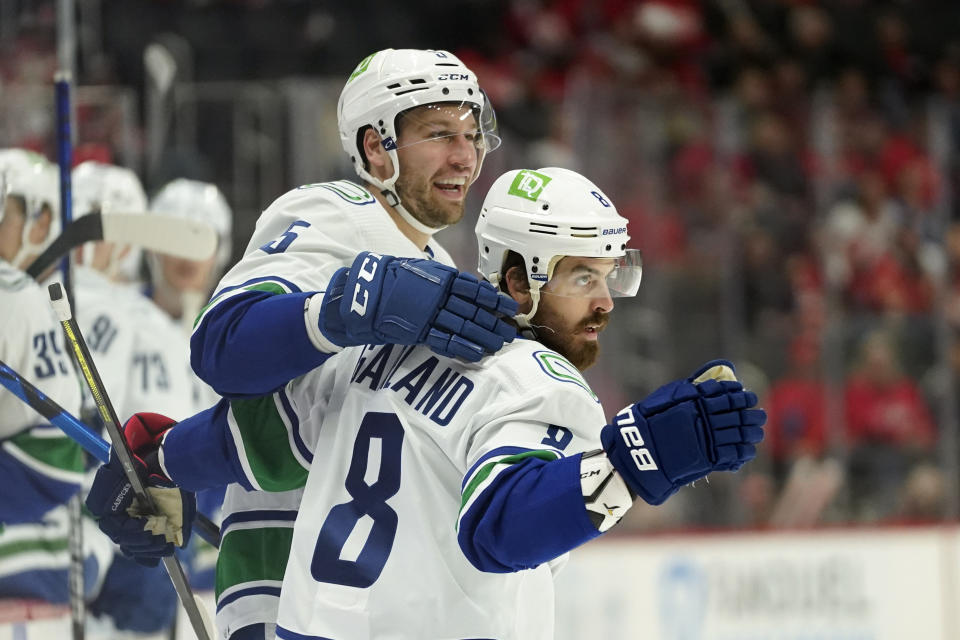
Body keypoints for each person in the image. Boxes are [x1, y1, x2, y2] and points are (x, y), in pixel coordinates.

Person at [86, 167, 766, 639]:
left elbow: (259, 439)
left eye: (611, 274)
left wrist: (157, 457)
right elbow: (498, 526)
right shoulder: (543, 384)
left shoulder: (387, 348)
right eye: (582, 275)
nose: (604, 302)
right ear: (513, 277)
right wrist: (632, 466)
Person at [182, 48, 516, 639]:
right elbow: (222, 345)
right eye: (439, 134)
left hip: (369, 589)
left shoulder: (436, 262)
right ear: (375, 147)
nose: (465, 156)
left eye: (471, 134)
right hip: (284, 582)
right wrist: (343, 309)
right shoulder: (337, 211)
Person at [0, 151, 105, 608]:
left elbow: (61, 456)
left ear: (40, 224)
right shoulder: (27, 293)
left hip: (54, 512)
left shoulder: (15, 293)